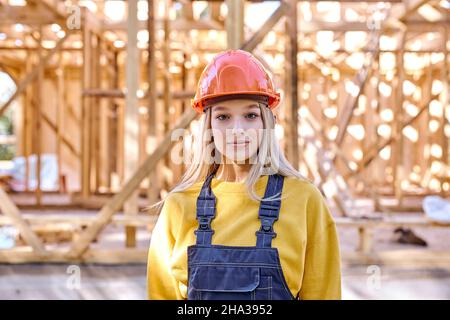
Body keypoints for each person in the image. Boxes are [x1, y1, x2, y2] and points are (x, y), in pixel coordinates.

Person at [147, 49, 341, 300]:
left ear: (267, 123)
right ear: (209, 126)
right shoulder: (178, 206)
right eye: (223, 116)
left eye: (250, 115)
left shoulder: (304, 201)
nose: (237, 130)